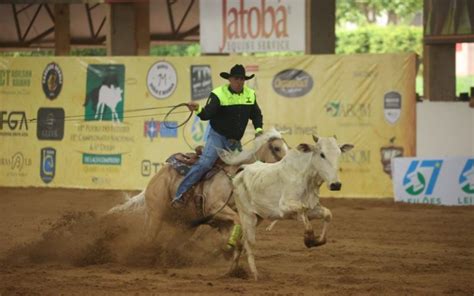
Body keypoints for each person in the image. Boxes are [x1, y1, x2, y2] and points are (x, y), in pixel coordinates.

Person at [172, 64, 263, 208]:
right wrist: (197, 109)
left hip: (234, 141)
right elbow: (207, 114)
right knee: (206, 163)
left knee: (244, 167)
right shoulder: (218, 94)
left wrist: (258, 129)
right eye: (236, 78)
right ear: (230, 79)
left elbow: (256, 114)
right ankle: (181, 193)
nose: (239, 81)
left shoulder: (250, 95)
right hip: (218, 136)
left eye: (242, 79)